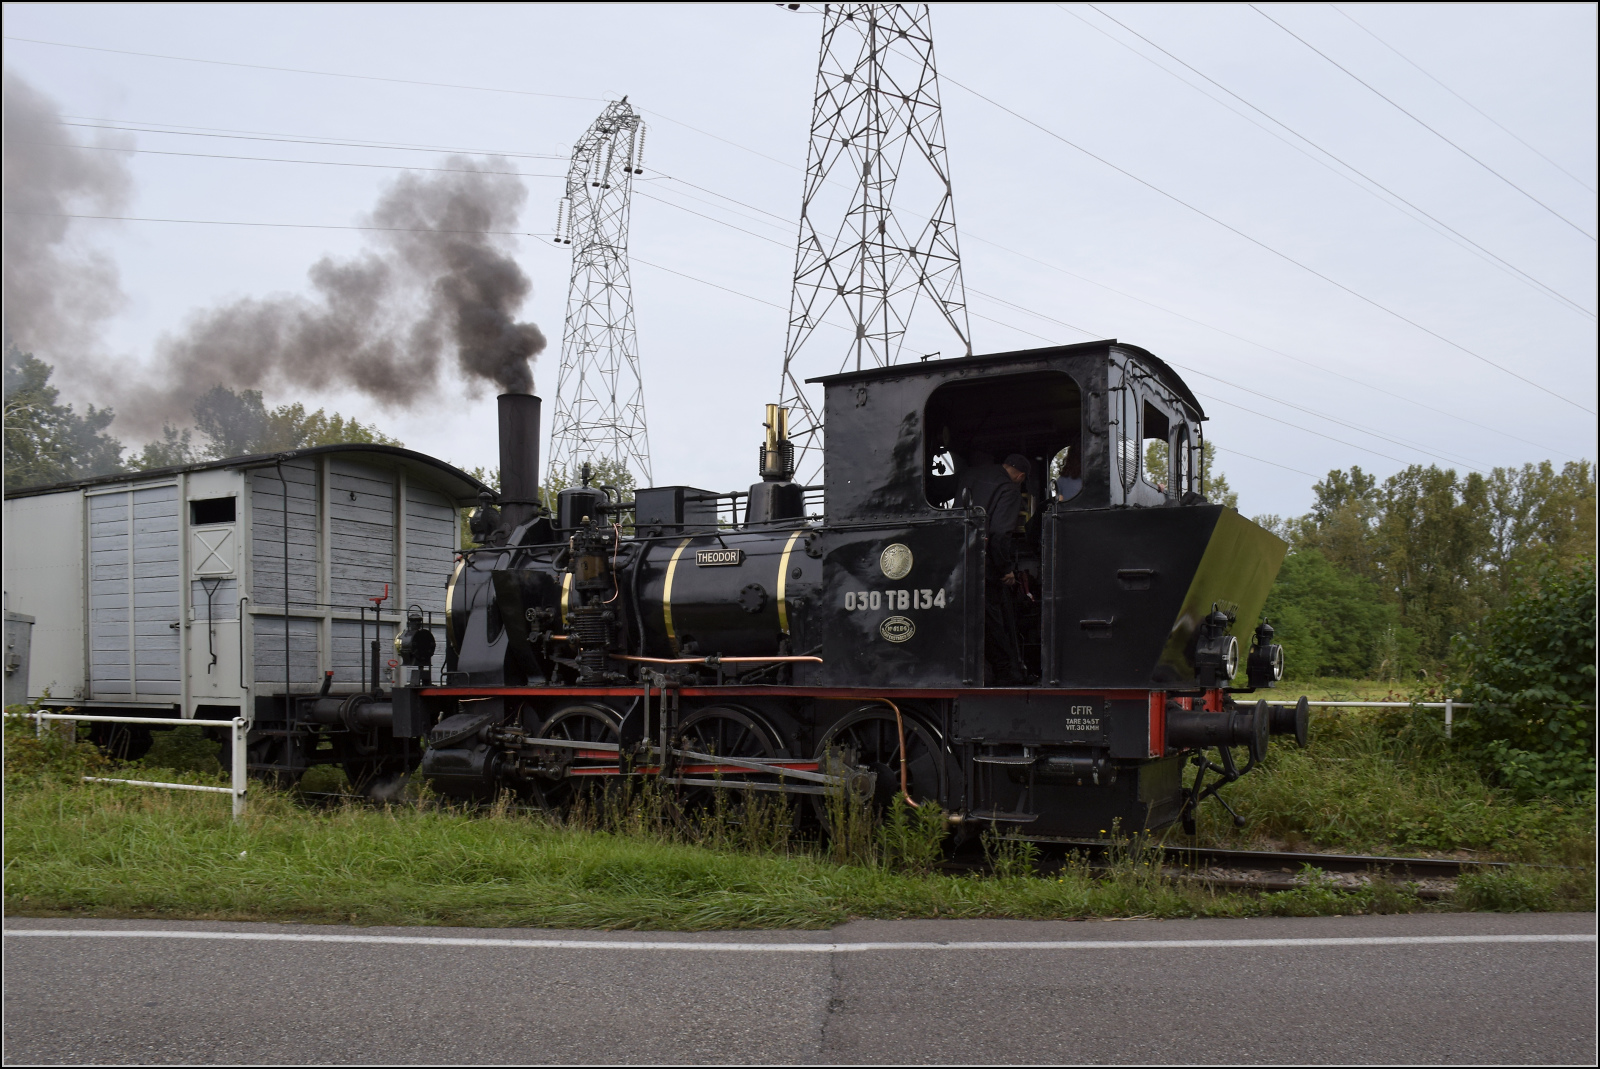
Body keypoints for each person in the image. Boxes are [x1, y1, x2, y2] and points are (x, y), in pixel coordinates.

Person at [959, 453, 1031, 684]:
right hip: (985, 567)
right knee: (994, 620)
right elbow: (1000, 534)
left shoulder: (970, 474)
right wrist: (1005, 569)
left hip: (958, 561)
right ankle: (1005, 673)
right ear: (1020, 476)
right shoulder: (1009, 490)